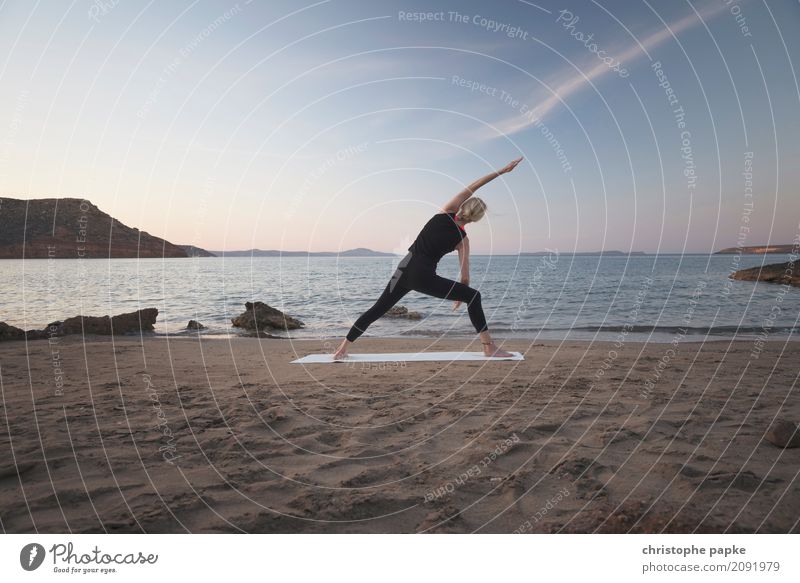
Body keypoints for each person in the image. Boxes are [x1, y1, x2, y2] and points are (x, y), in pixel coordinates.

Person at [333, 157, 523, 360]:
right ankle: (488, 347)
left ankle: (342, 349)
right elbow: (465, 276)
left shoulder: (446, 211)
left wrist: (502, 171)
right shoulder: (463, 240)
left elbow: (473, 186)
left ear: (464, 206)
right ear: (477, 218)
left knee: (378, 309)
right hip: (423, 275)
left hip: (404, 268)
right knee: (474, 296)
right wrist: (460, 295)